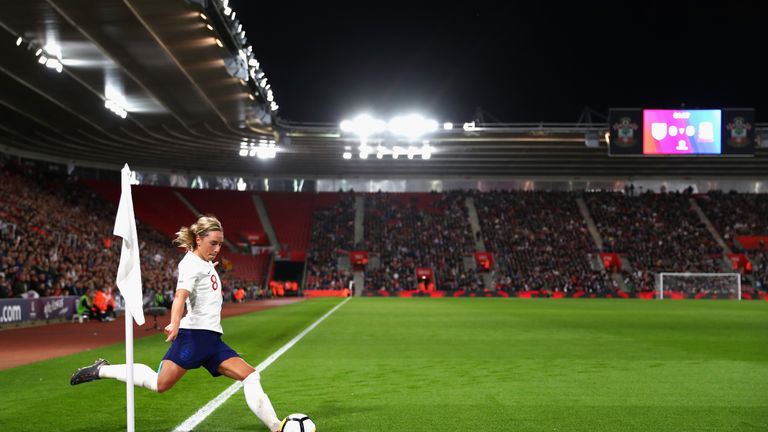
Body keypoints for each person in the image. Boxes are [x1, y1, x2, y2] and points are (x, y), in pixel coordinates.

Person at [70, 216, 282, 432]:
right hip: (194, 337)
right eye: (213, 243)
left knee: (250, 375)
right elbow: (180, 296)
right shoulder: (190, 264)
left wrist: (209, 266)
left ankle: (276, 427)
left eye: (220, 243)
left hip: (212, 340)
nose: (217, 248)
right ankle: (102, 370)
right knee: (160, 384)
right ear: (198, 239)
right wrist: (174, 323)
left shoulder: (204, 261)